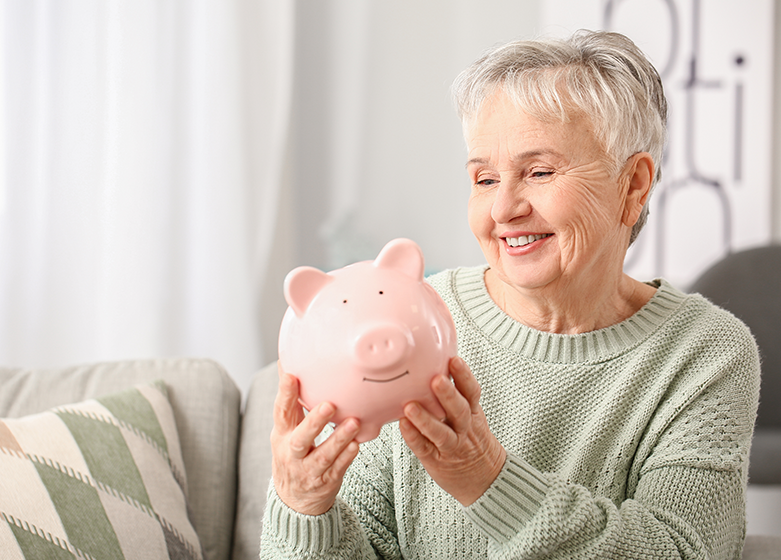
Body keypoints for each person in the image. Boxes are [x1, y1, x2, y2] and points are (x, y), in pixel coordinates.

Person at [260, 30, 760, 559]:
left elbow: (682, 552)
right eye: (484, 179)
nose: (502, 209)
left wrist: (487, 480)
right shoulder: (414, 323)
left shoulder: (706, 353)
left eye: (539, 172)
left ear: (633, 184)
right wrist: (303, 506)